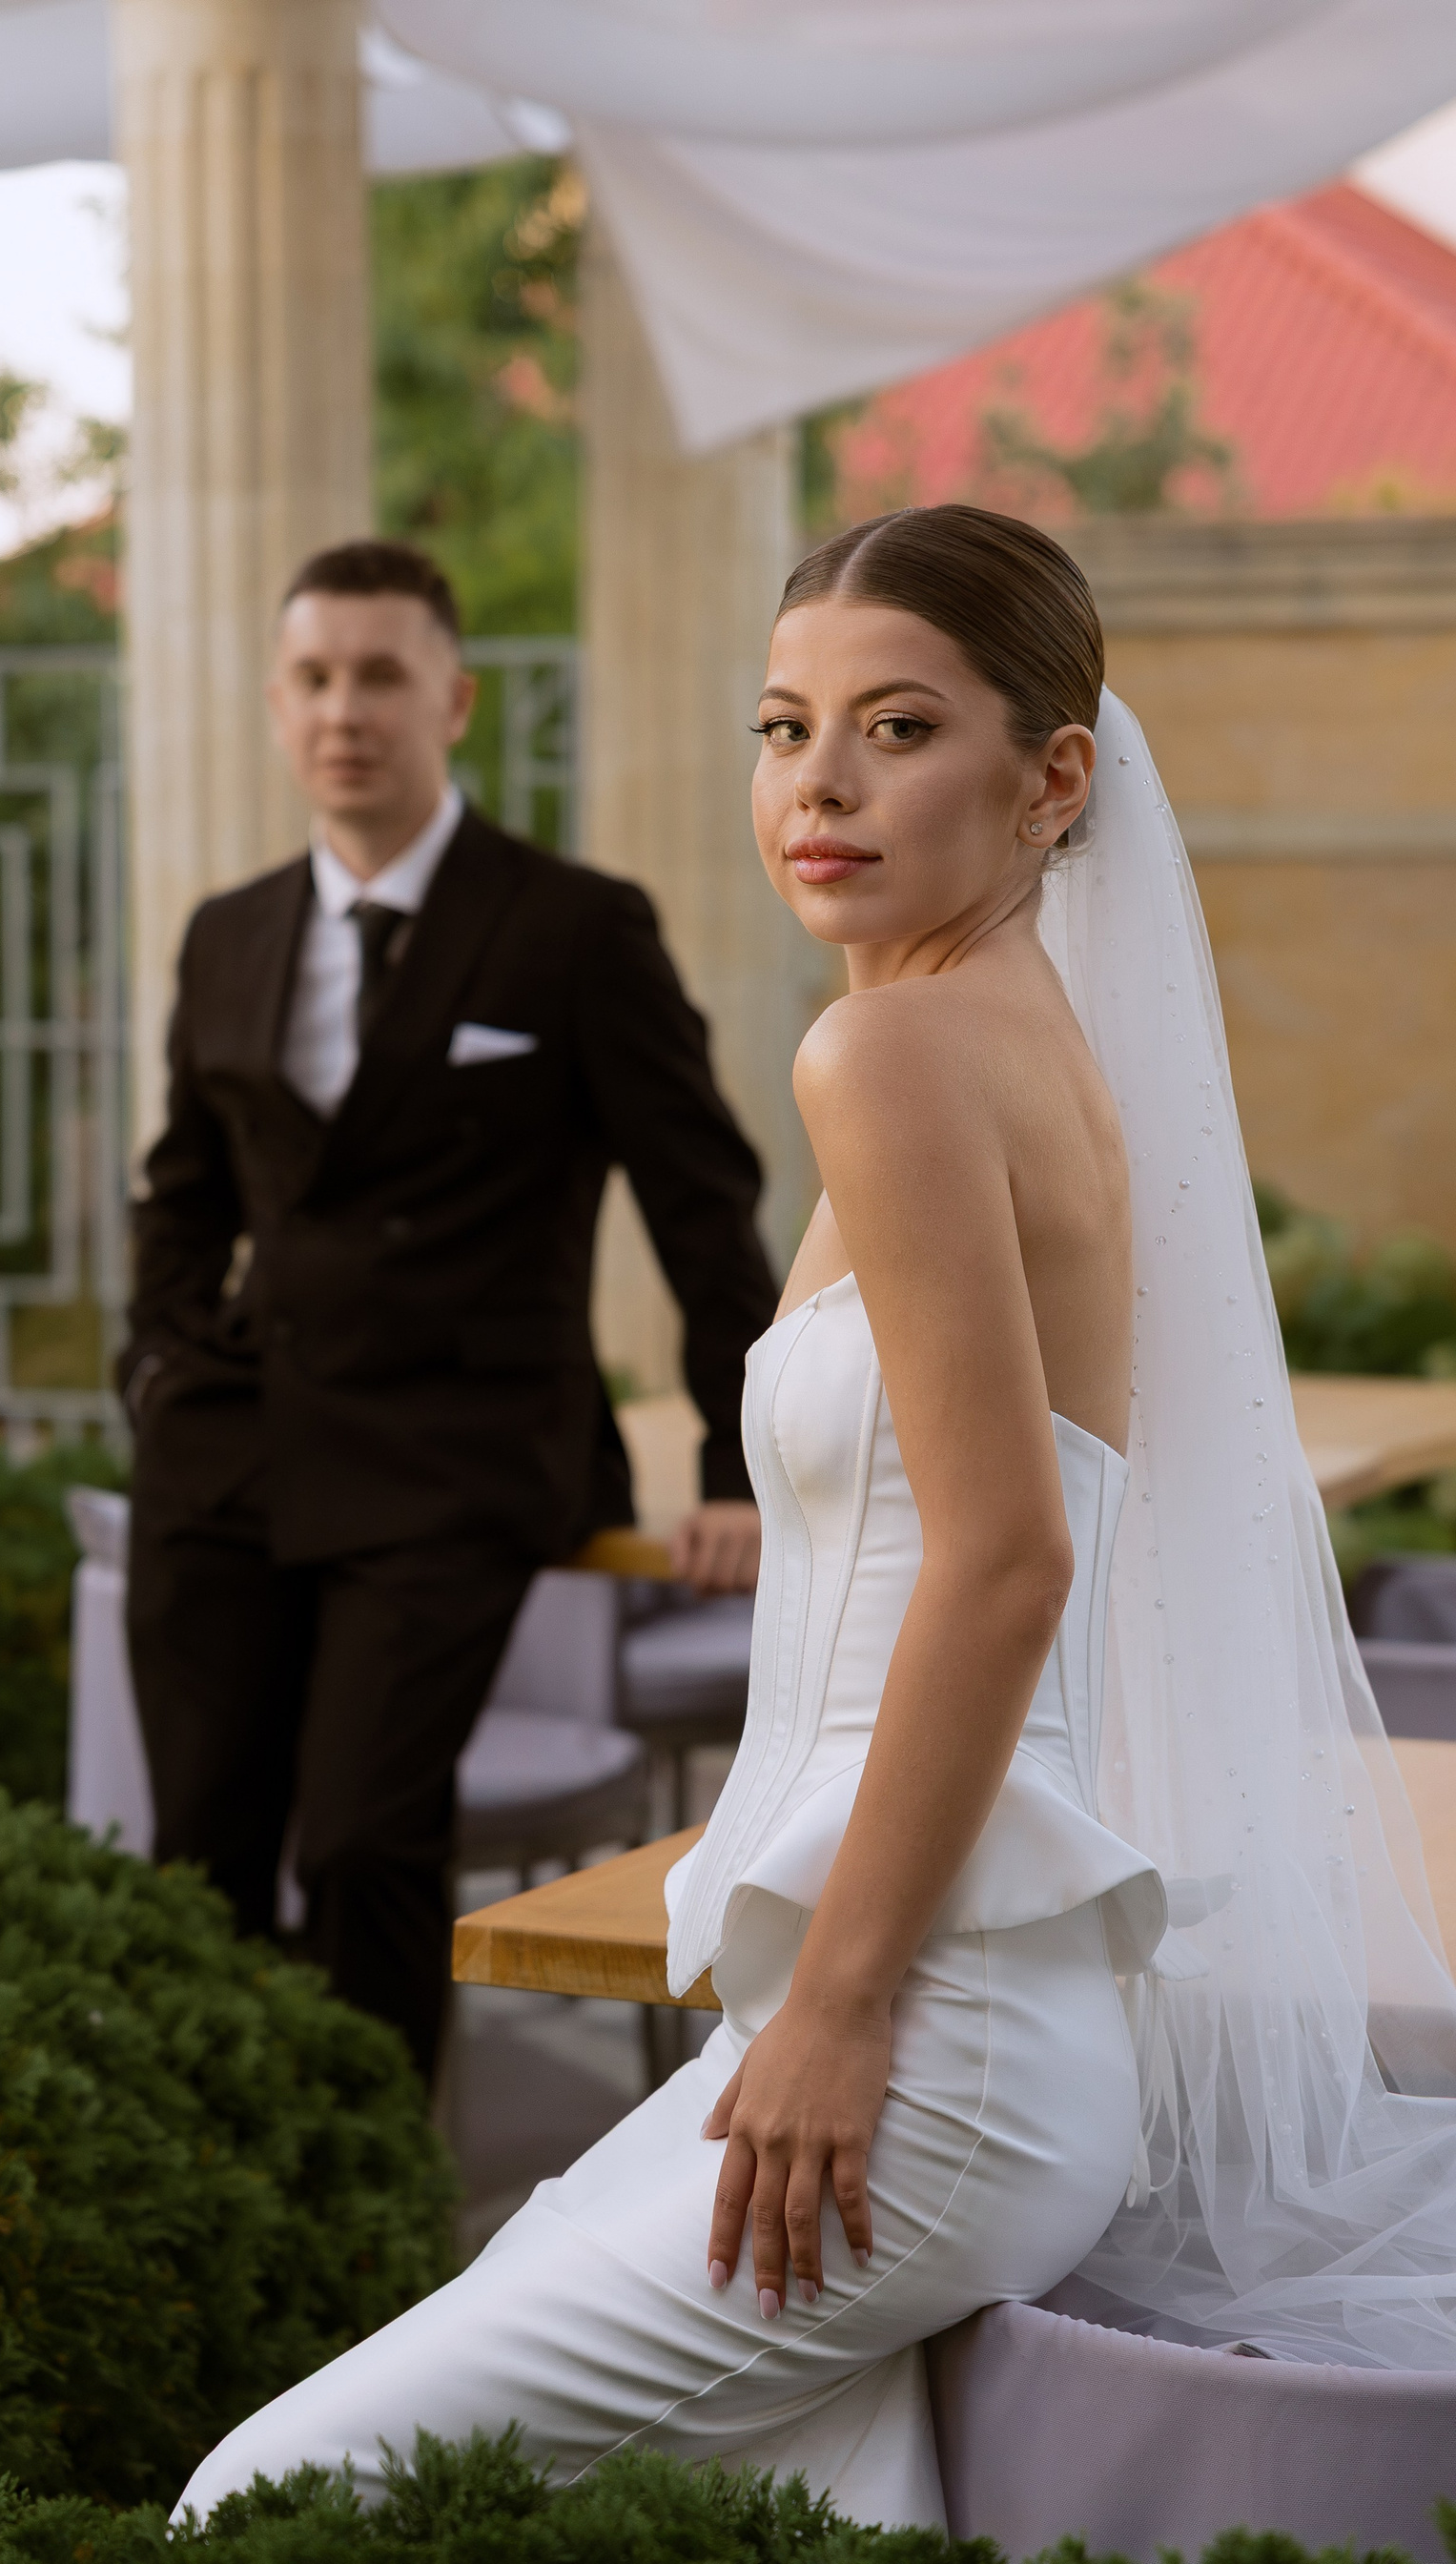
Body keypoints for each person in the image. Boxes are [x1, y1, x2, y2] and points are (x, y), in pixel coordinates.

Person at [174, 504, 1456, 2529]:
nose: (820, 784)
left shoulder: (892, 1051)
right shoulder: (1029, 1046)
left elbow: (1011, 1559)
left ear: (1054, 781)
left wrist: (843, 2009)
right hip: (937, 2014)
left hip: (919, 2042)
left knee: (261, 2501)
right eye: (785, 728)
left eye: (898, 727)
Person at [120, 537, 777, 2087]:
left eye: (381, 676)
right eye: (314, 677)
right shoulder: (228, 932)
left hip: (457, 1458)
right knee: (198, 1852)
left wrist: (737, 1469)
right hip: (231, 1452)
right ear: (278, 703)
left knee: (364, 1840)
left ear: (454, 701)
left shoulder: (575, 927)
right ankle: (211, 2182)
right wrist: (154, 1365)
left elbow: (703, 1203)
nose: (344, 710)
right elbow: (183, 1192)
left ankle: (371, 2195)